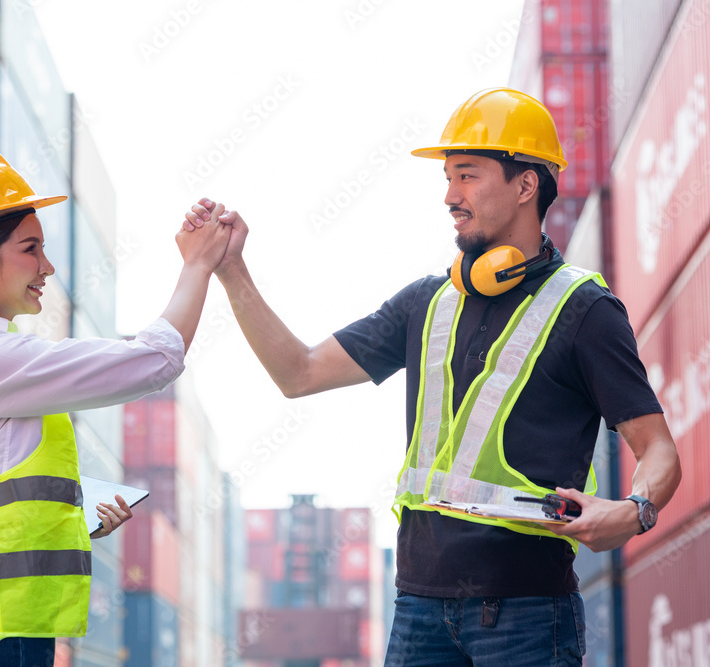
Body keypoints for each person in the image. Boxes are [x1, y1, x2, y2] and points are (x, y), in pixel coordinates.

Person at [182, 88, 681, 665]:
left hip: (526, 619)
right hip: (417, 610)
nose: (449, 196)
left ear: (526, 185)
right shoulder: (425, 303)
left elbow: (658, 450)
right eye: (447, 179)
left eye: (466, 176)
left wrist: (635, 509)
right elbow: (298, 373)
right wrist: (231, 270)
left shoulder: (584, 310)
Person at [0, 152, 229, 665]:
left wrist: (75, 519)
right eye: (31, 249)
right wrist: (198, 264)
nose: (47, 266)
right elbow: (153, 359)